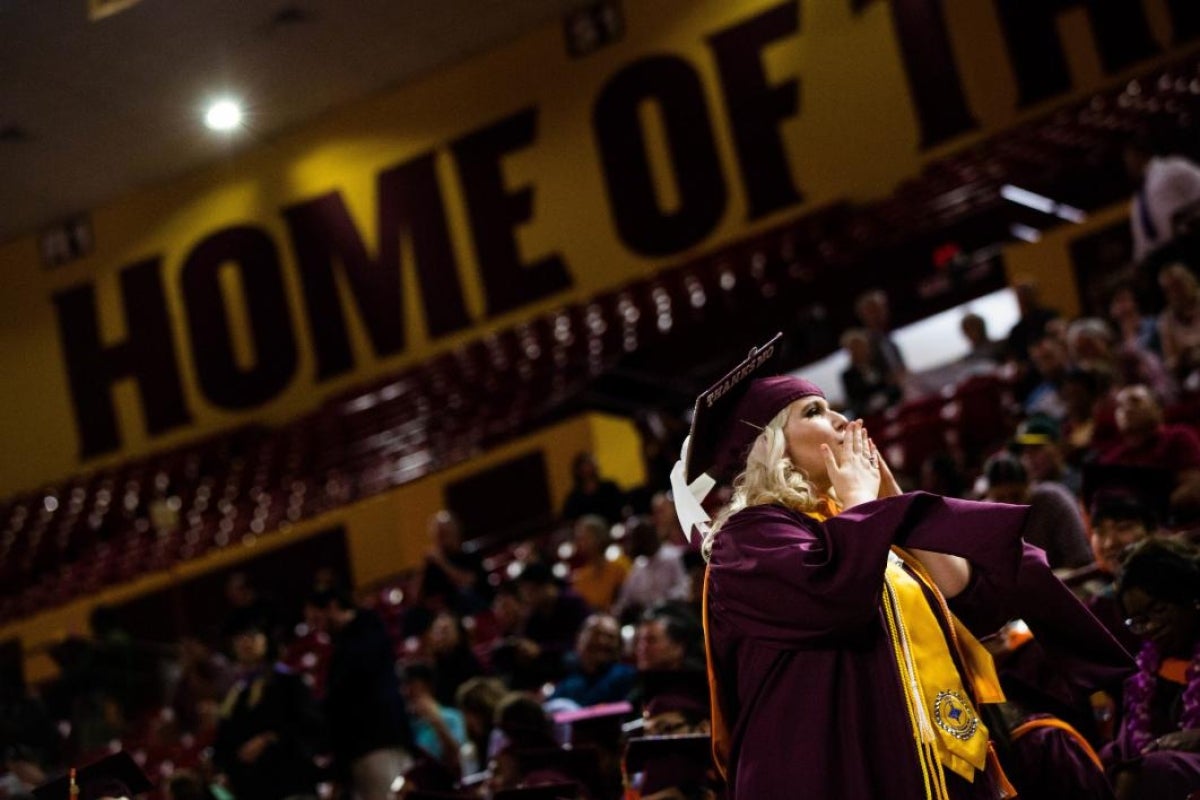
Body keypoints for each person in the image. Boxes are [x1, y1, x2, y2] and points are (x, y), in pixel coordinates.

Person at [678, 335, 1130, 799]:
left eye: (831, 406)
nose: (839, 419)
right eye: (812, 412)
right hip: (828, 768)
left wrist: (891, 506)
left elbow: (967, 597)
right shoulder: (746, 542)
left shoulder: (854, 524)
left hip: (917, 753)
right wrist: (862, 507)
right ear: (766, 446)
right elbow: (837, 599)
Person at [1102, 539, 1200, 799]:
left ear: (1190, 599)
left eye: (1158, 610)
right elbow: (1129, 743)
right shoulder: (1147, 669)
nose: (1151, 627)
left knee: (1152, 771)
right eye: (1139, 621)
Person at [308, 586, 414, 800]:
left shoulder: (366, 633)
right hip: (363, 750)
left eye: (317, 619)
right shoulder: (346, 646)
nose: (315, 627)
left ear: (333, 607)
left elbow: (346, 698)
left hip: (377, 743)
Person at [212, 609, 324, 800]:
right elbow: (224, 744)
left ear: (265, 640)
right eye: (239, 638)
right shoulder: (236, 696)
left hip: (292, 784)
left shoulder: (288, 682)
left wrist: (269, 738)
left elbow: (310, 726)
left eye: (253, 635)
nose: (245, 642)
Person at [1098, 383, 1200, 520]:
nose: (1126, 409)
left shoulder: (1179, 438)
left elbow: (1194, 488)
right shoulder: (1112, 459)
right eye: (1120, 406)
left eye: (1136, 402)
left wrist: (1144, 509)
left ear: (1158, 409)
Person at [1124, 134, 1200, 263]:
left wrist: (1188, 222)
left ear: (1138, 154)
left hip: (1189, 245)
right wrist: (1139, 261)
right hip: (1160, 259)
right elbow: (1141, 241)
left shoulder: (1172, 169)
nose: (1127, 165)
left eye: (1128, 158)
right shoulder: (1138, 200)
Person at [550, 614, 635, 707]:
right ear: (579, 640)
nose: (602, 641)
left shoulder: (627, 677)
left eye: (610, 637)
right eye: (596, 634)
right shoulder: (568, 682)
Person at [416, 510, 489, 614]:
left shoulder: (471, 555)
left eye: (445, 533)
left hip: (471, 608)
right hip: (443, 613)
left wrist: (442, 563)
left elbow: (468, 583)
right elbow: (417, 599)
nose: (441, 539)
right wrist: (423, 567)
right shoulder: (432, 563)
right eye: (438, 535)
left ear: (456, 532)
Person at [569, 515, 631, 612]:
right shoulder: (580, 576)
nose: (579, 542)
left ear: (600, 537)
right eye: (578, 538)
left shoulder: (620, 566)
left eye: (584, 537)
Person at [561, 453, 625, 524]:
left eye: (591, 463)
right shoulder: (574, 497)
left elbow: (622, 507)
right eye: (586, 464)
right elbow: (571, 519)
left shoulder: (609, 487)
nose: (589, 467)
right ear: (578, 469)